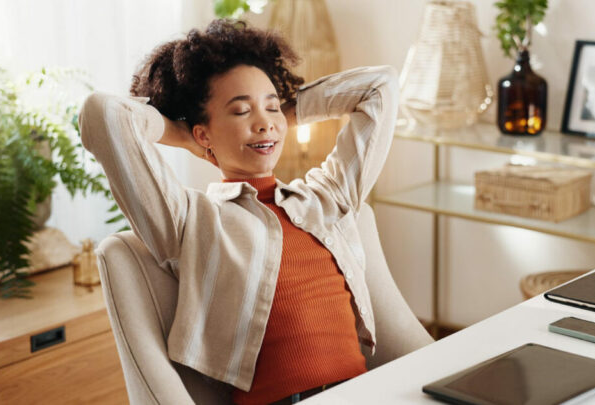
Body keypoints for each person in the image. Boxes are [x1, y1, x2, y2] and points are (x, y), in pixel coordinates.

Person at [79, 19, 400, 405]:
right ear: (203, 133)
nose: (263, 122)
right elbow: (103, 115)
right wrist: (182, 134)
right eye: (240, 111)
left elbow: (380, 88)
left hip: (366, 394)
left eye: (271, 106)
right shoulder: (191, 219)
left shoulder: (325, 197)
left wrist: (285, 114)